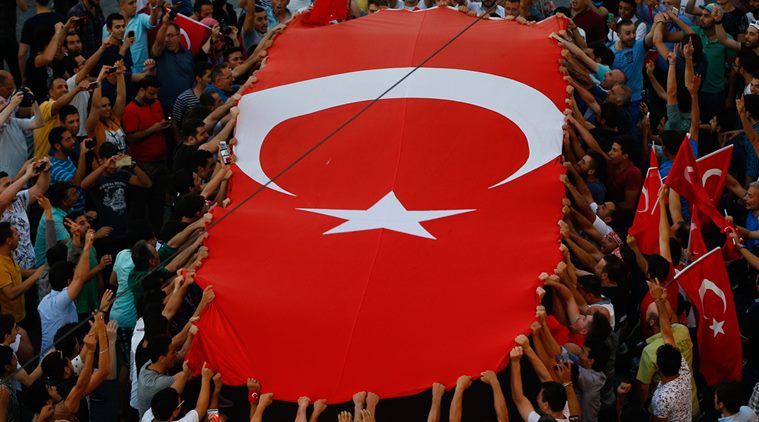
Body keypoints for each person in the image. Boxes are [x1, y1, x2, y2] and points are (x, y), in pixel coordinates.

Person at [0, 222, 45, 323]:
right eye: (16, 234)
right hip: (12, 321)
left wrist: (38, 271)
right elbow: (11, 293)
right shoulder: (1, 265)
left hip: (21, 313)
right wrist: (35, 276)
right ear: (8, 241)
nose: (19, 236)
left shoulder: (8, 255)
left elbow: (18, 271)